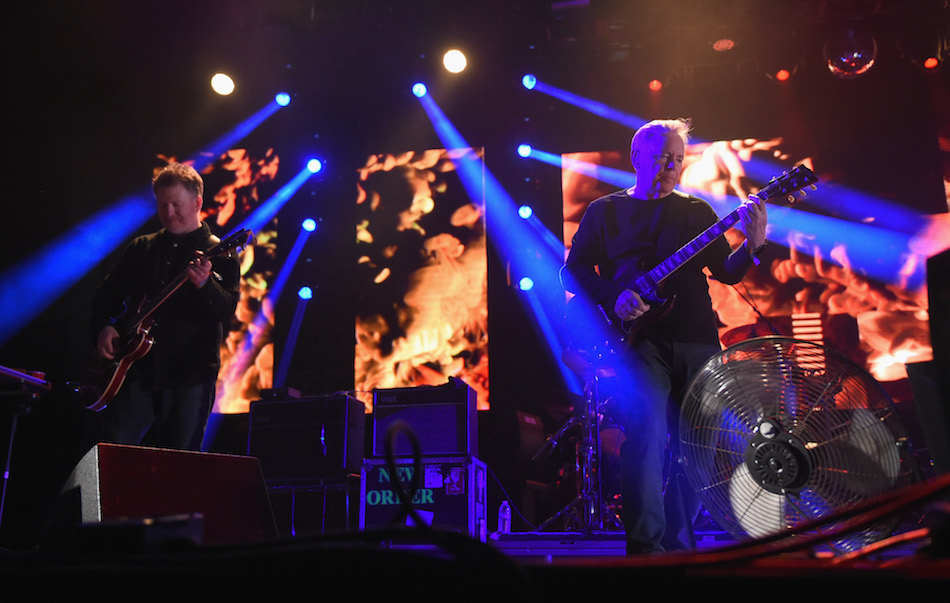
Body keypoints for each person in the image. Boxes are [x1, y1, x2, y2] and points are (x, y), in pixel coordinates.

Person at [561, 118, 767, 554]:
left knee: (701, 444)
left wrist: (750, 245)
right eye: (662, 157)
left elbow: (725, 273)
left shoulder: (696, 212)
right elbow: (572, 269)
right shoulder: (605, 211)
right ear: (637, 158)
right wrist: (615, 296)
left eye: (677, 158)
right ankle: (645, 550)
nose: (672, 166)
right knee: (648, 435)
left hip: (698, 338)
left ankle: (679, 544)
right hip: (640, 342)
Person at [88, 162, 241, 451]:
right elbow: (106, 295)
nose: (168, 213)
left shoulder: (220, 252)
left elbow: (226, 310)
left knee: (180, 465)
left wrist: (205, 285)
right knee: (115, 456)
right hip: (135, 372)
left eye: (176, 204)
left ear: (197, 202)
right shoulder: (141, 248)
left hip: (190, 375)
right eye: (163, 205)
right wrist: (104, 326)